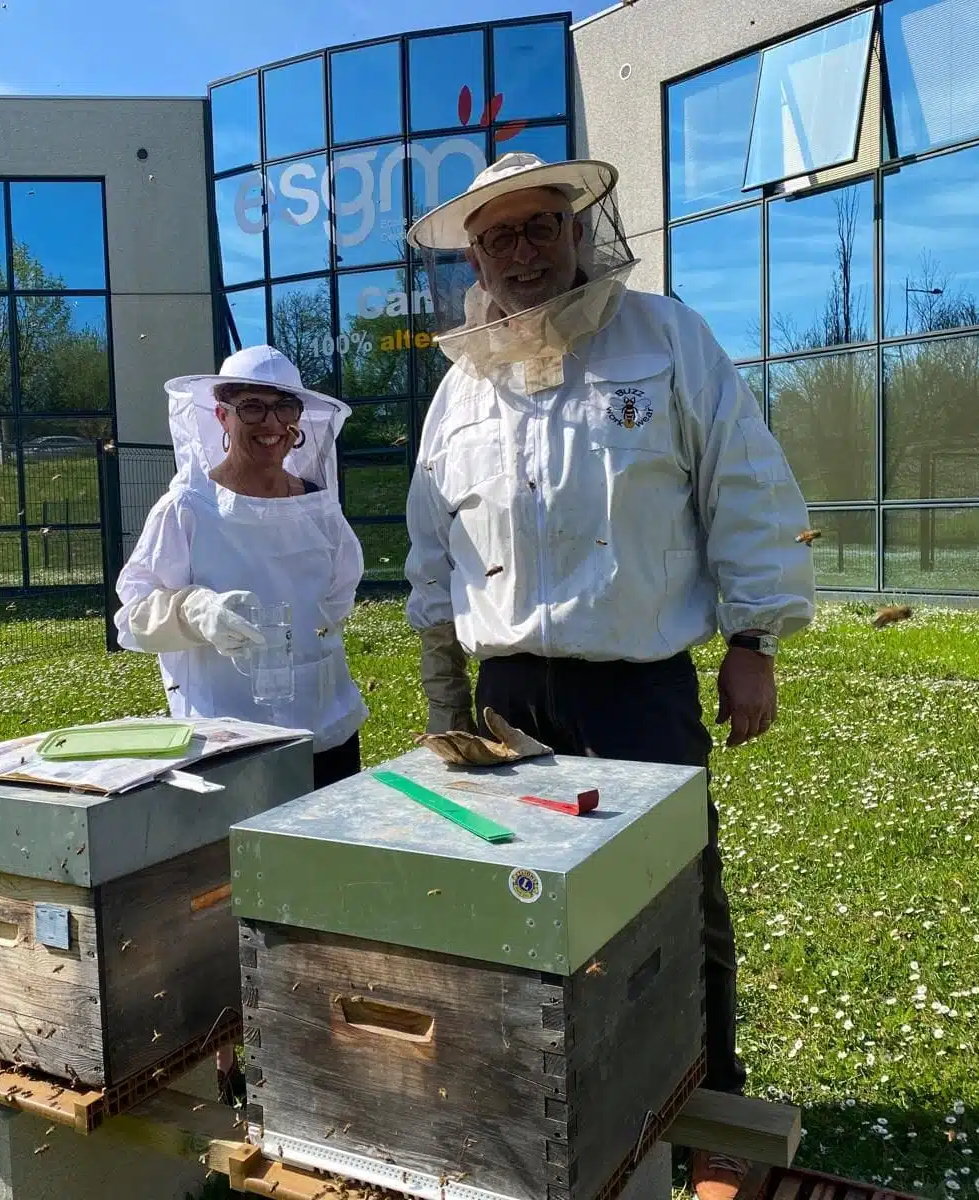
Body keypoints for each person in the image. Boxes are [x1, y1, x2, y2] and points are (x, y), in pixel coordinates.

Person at [403, 152, 815, 1200]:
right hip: (508, 697)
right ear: (476, 257)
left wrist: (753, 642)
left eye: (540, 227)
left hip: (637, 687)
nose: (522, 251)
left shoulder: (666, 338)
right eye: (498, 237)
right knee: (519, 901)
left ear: (579, 231)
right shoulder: (458, 390)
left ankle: (710, 1111)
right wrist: (447, 706)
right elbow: (430, 560)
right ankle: (550, 1096)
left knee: (675, 902)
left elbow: (745, 482)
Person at [113, 342, 369, 786]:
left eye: (284, 407)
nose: (271, 423)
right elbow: (131, 619)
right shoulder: (187, 507)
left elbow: (337, 600)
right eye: (252, 407)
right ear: (222, 416)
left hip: (326, 730)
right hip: (226, 740)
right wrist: (193, 611)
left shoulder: (320, 508)